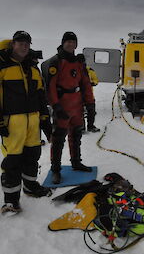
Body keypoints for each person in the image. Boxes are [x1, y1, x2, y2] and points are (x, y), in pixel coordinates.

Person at [0, 31, 52, 214]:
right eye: (20, 43)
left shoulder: (33, 67)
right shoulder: (2, 66)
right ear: (13, 44)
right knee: (13, 161)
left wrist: (45, 121)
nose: (24, 46)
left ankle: (30, 187)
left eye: (27, 43)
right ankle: (11, 201)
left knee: (32, 155)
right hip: (12, 122)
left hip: (33, 121)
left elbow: (40, 95)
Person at [45, 32, 96, 184]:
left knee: (76, 136)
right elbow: (51, 86)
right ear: (63, 43)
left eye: (73, 42)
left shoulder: (79, 62)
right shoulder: (56, 61)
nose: (70, 44)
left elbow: (86, 83)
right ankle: (55, 169)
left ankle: (76, 162)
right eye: (67, 41)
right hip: (63, 105)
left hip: (77, 105)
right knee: (58, 139)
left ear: (76, 44)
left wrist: (90, 104)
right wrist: (56, 105)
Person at [77, 54, 100, 133]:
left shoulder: (89, 70)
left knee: (91, 111)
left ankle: (91, 126)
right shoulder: (74, 71)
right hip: (78, 95)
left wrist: (92, 83)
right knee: (79, 112)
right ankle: (81, 127)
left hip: (89, 94)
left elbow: (96, 80)